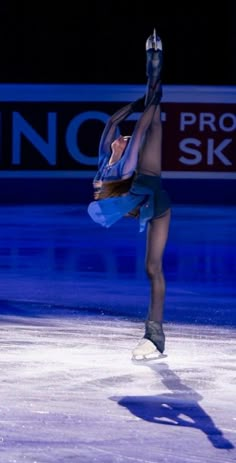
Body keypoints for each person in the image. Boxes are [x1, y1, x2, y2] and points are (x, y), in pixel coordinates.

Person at [88, 29, 171, 360]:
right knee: (151, 124)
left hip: (154, 196)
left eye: (118, 138)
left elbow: (115, 120)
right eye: (117, 140)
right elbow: (133, 130)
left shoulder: (105, 159)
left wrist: (143, 100)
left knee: (153, 268)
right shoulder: (121, 167)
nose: (118, 137)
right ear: (117, 149)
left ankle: (154, 336)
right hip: (134, 197)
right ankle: (155, 72)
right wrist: (147, 103)